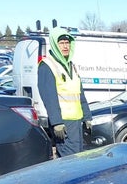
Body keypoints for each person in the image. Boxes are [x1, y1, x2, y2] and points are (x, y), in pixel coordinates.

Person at [37, 27, 91, 156]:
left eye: (67, 43)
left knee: (79, 156)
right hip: (63, 123)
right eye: (61, 43)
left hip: (76, 122)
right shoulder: (47, 65)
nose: (65, 46)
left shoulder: (71, 66)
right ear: (55, 44)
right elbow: (49, 97)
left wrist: (87, 117)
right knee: (70, 159)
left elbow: (80, 94)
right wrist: (57, 122)